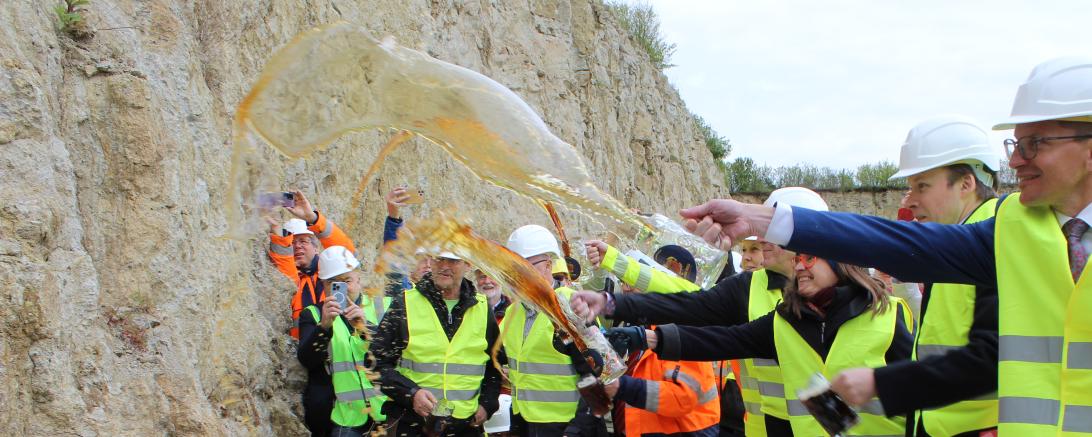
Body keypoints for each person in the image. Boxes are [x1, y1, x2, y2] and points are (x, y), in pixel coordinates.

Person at [676, 56, 1092, 436]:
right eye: (1015, 145)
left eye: (1035, 143)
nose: (1016, 159)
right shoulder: (1015, 226)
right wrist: (764, 220)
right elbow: (894, 243)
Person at [571, 187, 829, 437]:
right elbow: (686, 301)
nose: (762, 240)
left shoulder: (850, 300)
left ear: (810, 235)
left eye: (771, 230)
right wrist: (612, 300)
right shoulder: (750, 287)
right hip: (758, 429)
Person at [624, 254, 913, 437]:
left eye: (809, 258)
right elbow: (725, 340)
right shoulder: (785, 321)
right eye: (797, 258)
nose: (799, 266)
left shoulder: (890, 313)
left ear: (839, 259)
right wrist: (649, 337)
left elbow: (922, 393)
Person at [853, 115, 1003, 437]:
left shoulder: (996, 240)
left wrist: (882, 383)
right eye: (910, 188)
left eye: (922, 186)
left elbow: (992, 356)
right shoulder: (956, 240)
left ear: (966, 183)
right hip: (939, 423)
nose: (911, 200)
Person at [586, 244, 721, 436]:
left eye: (633, 280)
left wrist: (622, 387)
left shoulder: (683, 327)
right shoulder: (634, 327)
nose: (625, 287)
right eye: (622, 281)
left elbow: (682, 398)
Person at [370, 252, 501, 437]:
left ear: (468, 264)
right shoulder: (404, 304)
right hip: (413, 424)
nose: (444, 265)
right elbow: (374, 363)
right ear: (431, 260)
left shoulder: (482, 308)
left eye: (453, 260)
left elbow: (495, 366)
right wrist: (411, 393)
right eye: (439, 258)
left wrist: (487, 405)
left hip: (466, 427)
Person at [264, 190, 356, 437]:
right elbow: (284, 261)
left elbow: (343, 250)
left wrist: (314, 218)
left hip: (346, 357)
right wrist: (276, 229)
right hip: (310, 360)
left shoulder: (330, 273)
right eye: (293, 242)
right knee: (318, 412)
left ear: (316, 245)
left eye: (304, 241)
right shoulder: (295, 281)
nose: (298, 247)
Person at [502, 224, 607, 437]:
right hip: (525, 424)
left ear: (548, 265)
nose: (519, 275)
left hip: (567, 427)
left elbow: (597, 374)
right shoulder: (512, 313)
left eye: (527, 266)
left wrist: (576, 430)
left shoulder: (572, 307)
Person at [298, 246, 391, 437]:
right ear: (323, 285)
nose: (343, 288)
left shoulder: (383, 306)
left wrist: (366, 327)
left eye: (346, 280)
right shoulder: (314, 314)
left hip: (387, 411)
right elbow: (307, 359)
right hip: (345, 417)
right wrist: (324, 327)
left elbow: (394, 352)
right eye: (333, 282)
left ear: (358, 278)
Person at [382, 187, 429, 295]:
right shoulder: (405, 294)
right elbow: (395, 260)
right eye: (422, 259)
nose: (428, 265)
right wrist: (394, 217)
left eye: (433, 260)